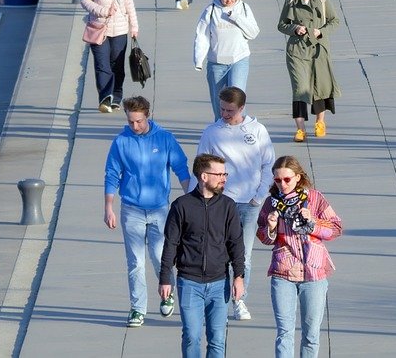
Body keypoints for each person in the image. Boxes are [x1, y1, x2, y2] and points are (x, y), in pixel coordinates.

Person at [104, 95, 192, 328]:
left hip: (159, 209)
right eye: (131, 121)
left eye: (139, 121)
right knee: (135, 262)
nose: (135, 126)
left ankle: (167, 294)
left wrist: (191, 200)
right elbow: (112, 174)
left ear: (147, 116)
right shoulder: (121, 141)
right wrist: (108, 207)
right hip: (131, 208)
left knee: (160, 256)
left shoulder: (164, 138)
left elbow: (181, 168)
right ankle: (137, 308)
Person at [196, 87, 274, 321]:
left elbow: (268, 165)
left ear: (242, 108)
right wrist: (198, 198)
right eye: (221, 109)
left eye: (229, 110)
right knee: (219, 254)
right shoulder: (212, 132)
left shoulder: (257, 130)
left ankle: (239, 300)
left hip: (249, 204)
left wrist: (259, 196)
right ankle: (218, 301)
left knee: (243, 256)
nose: (224, 114)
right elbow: (200, 167)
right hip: (220, 204)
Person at [159, 154, 246, 358]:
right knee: (192, 336)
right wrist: (165, 278)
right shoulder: (181, 206)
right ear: (204, 176)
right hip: (189, 282)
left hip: (219, 283)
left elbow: (236, 244)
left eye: (225, 174)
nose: (224, 178)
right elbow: (171, 244)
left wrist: (239, 276)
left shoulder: (228, 206)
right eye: (219, 174)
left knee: (217, 339)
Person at [257, 156, 343, 358]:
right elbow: (264, 237)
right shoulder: (271, 203)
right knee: (284, 333)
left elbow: (336, 228)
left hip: (314, 273)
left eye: (287, 179)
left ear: (298, 177)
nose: (282, 184)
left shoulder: (314, 198)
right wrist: (270, 227)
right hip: (283, 272)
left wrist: (313, 223)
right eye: (278, 180)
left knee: (311, 335)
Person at [278, 0, 340, 139]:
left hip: (318, 49)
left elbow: (335, 21)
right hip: (297, 51)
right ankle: (300, 129)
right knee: (299, 89)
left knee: (319, 86)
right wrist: (294, 28)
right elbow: (281, 25)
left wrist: (321, 32)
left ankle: (320, 122)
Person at [194, 0, 261, 117]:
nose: (229, 0)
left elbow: (253, 33)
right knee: (219, 101)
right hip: (216, 63)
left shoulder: (243, 8)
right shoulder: (211, 10)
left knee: (237, 98)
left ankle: (240, 125)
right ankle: (220, 126)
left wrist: (236, 17)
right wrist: (198, 59)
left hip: (239, 60)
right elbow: (202, 35)